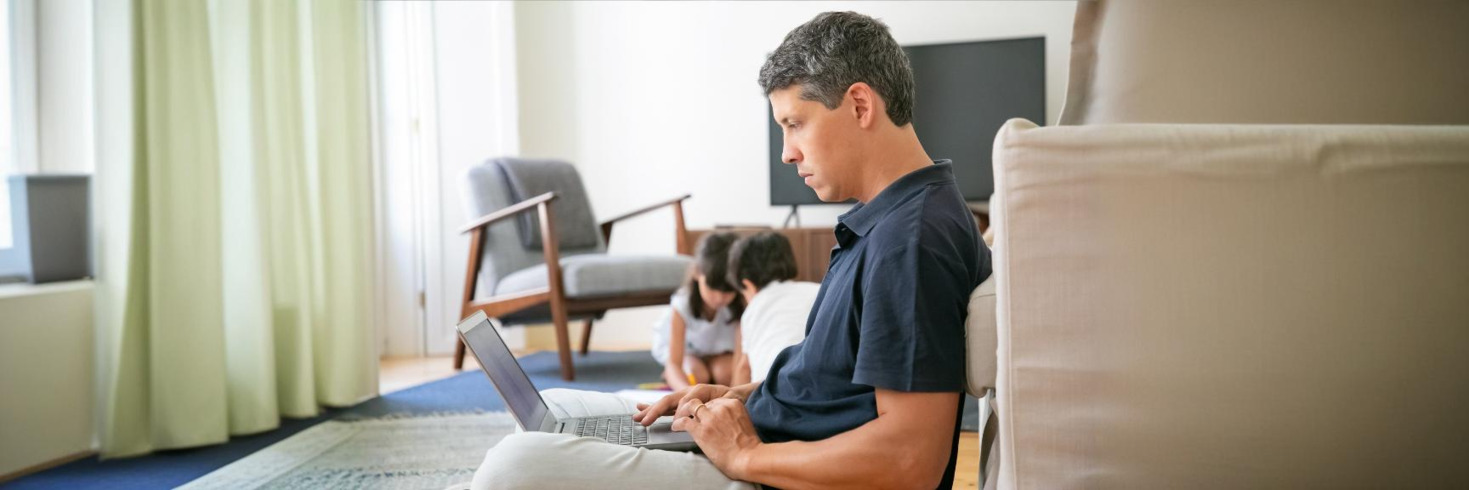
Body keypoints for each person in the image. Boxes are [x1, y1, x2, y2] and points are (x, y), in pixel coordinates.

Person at [471, 11, 991, 490]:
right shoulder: (892, 219)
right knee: (554, 409)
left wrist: (743, 455)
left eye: (795, 124)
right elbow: (831, 385)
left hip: (770, 472)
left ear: (859, 105)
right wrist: (734, 397)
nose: (787, 153)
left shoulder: (910, 241)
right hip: (763, 446)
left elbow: (911, 459)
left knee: (514, 465)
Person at [652, 232, 745, 390]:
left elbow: (741, 362)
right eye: (712, 288)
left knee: (725, 373)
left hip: (721, 352)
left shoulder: (740, 305)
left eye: (728, 291)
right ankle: (675, 376)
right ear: (696, 273)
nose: (719, 298)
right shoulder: (682, 304)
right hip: (687, 352)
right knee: (696, 375)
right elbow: (674, 364)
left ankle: (709, 373)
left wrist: (735, 394)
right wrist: (686, 393)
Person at [724, 232, 819, 385]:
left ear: (748, 285)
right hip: (819, 385)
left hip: (770, 391)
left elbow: (744, 369)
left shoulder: (752, 310)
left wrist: (730, 395)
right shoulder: (818, 291)